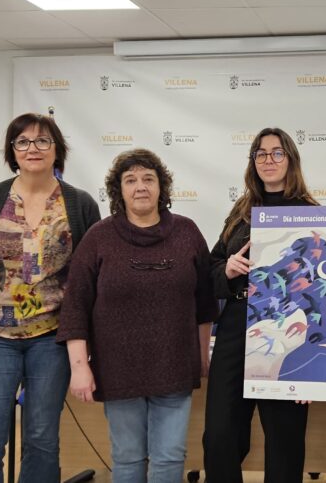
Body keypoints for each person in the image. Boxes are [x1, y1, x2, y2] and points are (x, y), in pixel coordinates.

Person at [0, 113, 100, 482]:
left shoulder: (79, 205)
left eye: (43, 141)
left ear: (57, 150)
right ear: (12, 151)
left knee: (42, 440)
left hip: (53, 340)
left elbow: (90, 281)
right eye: (23, 141)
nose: (33, 148)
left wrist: (87, 343)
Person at [57, 149, 218, 482]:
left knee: (170, 458)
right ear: (119, 190)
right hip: (118, 369)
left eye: (148, 178)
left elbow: (204, 303)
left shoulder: (187, 233)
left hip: (174, 365)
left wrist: (202, 356)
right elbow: (75, 306)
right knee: (127, 458)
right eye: (130, 180)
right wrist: (79, 367)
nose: (140, 186)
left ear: (161, 187)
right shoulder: (99, 237)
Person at [202, 127, 317, 483]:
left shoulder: (312, 213)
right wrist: (228, 269)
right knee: (219, 433)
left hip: (287, 328)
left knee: (284, 438)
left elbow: (322, 292)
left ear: (291, 159)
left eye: (277, 152)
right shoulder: (242, 210)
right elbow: (212, 267)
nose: (269, 160)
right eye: (261, 153)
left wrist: (313, 366)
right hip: (237, 325)